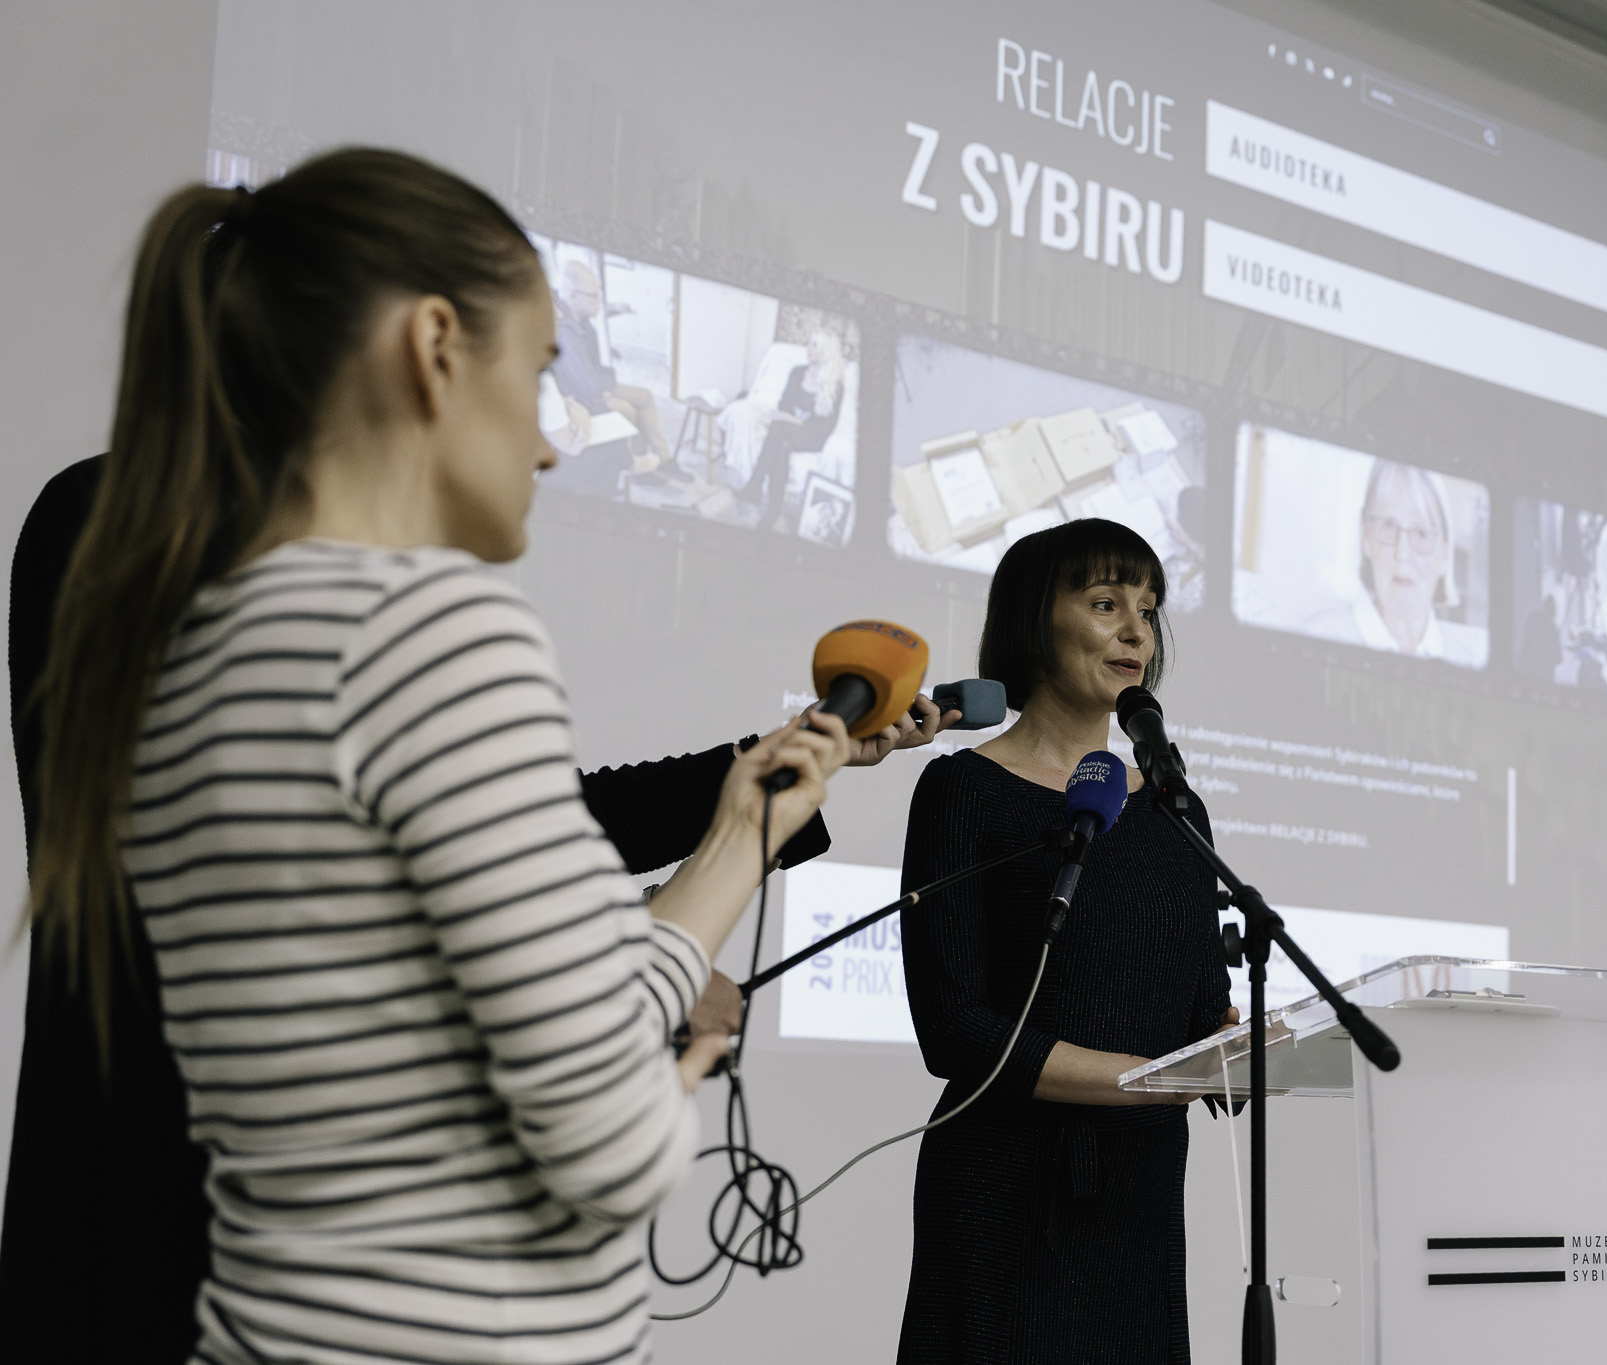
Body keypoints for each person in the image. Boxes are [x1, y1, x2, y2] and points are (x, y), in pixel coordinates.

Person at [20, 148, 857, 1365]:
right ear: (430, 347)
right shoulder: (431, 631)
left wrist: (739, 837)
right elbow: (611, 1145)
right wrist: (678, 1060)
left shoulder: (206, 638)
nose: (552, 446)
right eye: (539, 371)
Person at [1, 450, 953, 1363]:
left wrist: (785, 769)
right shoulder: (165, 530)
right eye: (532, 373)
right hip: (162, 1230)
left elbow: (512, 831)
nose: (547, 446)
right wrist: (640, 949)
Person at [896, 518, 1237, 1365]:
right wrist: (1145, 1081)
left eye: (1148, 610)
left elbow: (1202, 1012)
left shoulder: (1176, 809)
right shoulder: (963, 790)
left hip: (1140, 1193)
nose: (1136, 632)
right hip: (1002, 1188)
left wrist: (1236, 1046)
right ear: (1034, 620)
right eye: (1105, 603)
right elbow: (954, 1029)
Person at [1301, 457, 1487, 669]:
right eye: (1389, 526)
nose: (1402, 553)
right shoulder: (1319, 638)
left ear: (1444, 555)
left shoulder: (1470, 661)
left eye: (1421, 533)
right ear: (1366, 538)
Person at [544, 257, 668, 493]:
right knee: (627, 411)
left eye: (598, 294)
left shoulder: (580, 319)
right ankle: (633, 465)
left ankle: (662, 459)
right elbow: (588, 387)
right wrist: (602, 396)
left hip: (595, 387)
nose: (599, 301)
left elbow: (592, 370)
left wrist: (606, 384)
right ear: (572, 296)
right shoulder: (565, 332)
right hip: (586, 395)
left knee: (644, 396)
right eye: (593, 296)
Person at [733, 328, 846, 528]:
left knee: (779, 428)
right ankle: (774, 509)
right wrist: (787, 417)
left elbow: (825, 427)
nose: (808, 349)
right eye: (809, 344)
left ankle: (755, 486)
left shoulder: (835, 386)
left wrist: (793, 420)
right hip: (789, 431)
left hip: (812, 437)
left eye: (814, 345)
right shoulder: (797, 372)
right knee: (783, 445)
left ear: (825, 351)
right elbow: (784, 404)